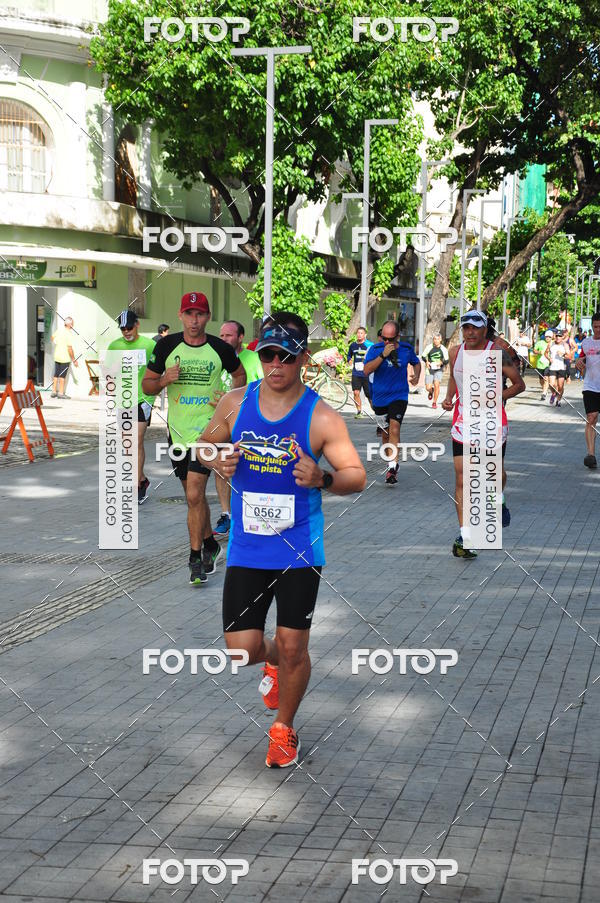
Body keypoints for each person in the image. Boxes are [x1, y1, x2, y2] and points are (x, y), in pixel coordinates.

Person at [197, 312, 366, 767]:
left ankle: (283, 728)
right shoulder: (236, 403)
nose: (275, 365)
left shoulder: (321, 417)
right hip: (248, 549)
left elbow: (357, 476)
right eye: (267, 355)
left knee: (296, 647)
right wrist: (218, 458)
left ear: (302, 360)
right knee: (241, 650)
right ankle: (269, 661)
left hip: (299, 551)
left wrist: (323, 479)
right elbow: (203, 443)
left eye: (285, 357)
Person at [142, 292, 246, 584]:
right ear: (180, 315)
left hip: (209, 435)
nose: (194, 320)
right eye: (189, 314)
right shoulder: (166, 346)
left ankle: (194, 558)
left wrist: (226, 401)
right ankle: (211, 544)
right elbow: (147, 385)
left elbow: (241, 377)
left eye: (199, 314)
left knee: (192, 495)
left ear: (207, 317)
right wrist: (164, 379)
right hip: (178, 434)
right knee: (195, 498)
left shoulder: (219, 348)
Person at [441, 310, 525, 559]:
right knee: (462, 480)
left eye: (475, 327)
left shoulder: (497, 353)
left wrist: (496, 397)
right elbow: (456, 376)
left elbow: (519, 385)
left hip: (492, 424)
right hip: (463, 424)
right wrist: (448, 397)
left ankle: (498, 498)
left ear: (484, 329)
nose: (470, 332)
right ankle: (467, 536)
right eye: (466, 327)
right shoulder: (455, 352)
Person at [212, 320, 264, 538]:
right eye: (221, 336)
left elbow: (264, 389)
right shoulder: (215, 356)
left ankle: (256, 513)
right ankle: (227, 514)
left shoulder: (253, 359)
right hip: (222, 421)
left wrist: (234, 403)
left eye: (229, 336)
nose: (224, 340)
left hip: (248, 422)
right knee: (221, 466)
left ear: (240, 337)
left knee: (251, 469)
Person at [107, 311, 157, 503]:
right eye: (123, 328)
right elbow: (108, 373)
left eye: (129, 327)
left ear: (137, 325)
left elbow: (158, 368)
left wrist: (154, 394)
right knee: (127, 445)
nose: (126, 332)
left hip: (142, 399)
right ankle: (142, 479)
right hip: (123, 400)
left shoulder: (149, 345)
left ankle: (136, 485)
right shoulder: (114, 346)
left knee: (135, 441)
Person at [363, 321, 421, 484]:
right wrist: (383, 355)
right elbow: (366, 371)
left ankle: (392, 467)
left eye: (390, 339)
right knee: (385, 433)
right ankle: (391, 462)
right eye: (384, 339)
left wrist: (416, 375)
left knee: (394, 428)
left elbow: (416, 363)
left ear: (398, 337)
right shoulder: (375, 350)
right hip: (380, 398)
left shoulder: (406, 349)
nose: (386, 342)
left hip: (399, 395)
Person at [575, 312, 600, 468]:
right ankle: (591, 455)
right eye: (596, 327)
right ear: (592, 327)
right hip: (590, 386)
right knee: (591, 418)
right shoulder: (586, 343)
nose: (598, 330)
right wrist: (579, 362)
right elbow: (581, 358)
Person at [347, 326, 373, 417]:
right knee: (356, 392)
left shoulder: (369, 345)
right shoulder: (353, 345)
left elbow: (374, 356)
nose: (359, 335)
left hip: (366, 373)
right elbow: (349, 355)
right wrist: (349, 360)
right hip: (356, 373)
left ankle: (377, 412)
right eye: (358, 333)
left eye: (361, 333)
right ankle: (359, 411)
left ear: (365, 335)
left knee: (369, 395)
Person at [50, 316, 78, 398]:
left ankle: (54, 392)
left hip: (57, 356)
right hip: (65, 358)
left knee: (56, 374)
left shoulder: (59, 330)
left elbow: (52, 338)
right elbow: (70, 348)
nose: (73, 325)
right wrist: (74, 360)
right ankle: (61, 393)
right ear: (70, 324)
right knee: (62, 376)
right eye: (72, 323)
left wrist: (57, 343)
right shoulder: (69, 334)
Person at [421, 334, 449, 408]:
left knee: (437, 385)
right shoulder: (429, 347)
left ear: (440, 340)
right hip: (430, 369)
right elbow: (423, 356)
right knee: (428, 387)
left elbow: (447, 360)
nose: (435, 341)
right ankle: (431, 391)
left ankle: (434, 402)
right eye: (434, 339)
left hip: (439, 369)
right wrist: (426, 362)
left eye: (437, 339)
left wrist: (441, 363)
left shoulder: (443, 349)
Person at [548, 330, 566, 406]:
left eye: (560, 336)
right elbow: (546, 353)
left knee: (560, 386)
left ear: (562, 337)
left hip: (561, 368)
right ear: (555, 336)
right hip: (553, 367)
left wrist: (562, 355)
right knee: (551, 384)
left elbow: (570, 356)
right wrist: (549, 358)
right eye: (557, 336)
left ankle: (558, 401)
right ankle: (554, 393)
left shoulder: (565, 345)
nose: (558, 337)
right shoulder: (551, 344)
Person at [533, 330, 553, 399]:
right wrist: (539, 352)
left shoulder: (553, 344)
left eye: (549, 337)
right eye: (547, 337)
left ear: (552, 337)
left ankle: (544, 393)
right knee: (541, 380)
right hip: (540, 364)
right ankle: (545, 389)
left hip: (548, 364)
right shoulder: (540, 343)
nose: (548, 338)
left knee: (546, 378)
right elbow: (534, 350)